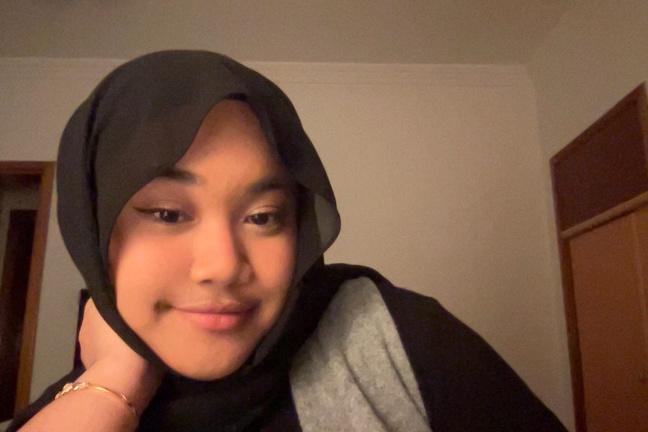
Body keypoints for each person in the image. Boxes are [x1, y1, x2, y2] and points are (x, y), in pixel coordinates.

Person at [9, 51, 566, 431]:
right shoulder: (64, 414)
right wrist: (109, 389)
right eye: (168, 213)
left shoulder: (397, 341)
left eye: (263, 217)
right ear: (95, 229)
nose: (224, 265)